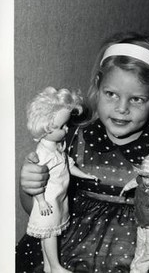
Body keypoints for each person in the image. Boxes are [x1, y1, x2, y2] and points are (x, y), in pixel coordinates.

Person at [18, 31, 149, 272]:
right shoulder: (70, 139)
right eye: (111, 94)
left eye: (137, 99)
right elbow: (38, 210)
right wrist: (30, 187)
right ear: (98, 87)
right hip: (70, 250)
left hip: (143, 256)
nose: (121, 109)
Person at [26, 87, 98, 273]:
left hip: (59, 199)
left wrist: (85, 175)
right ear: (46, 127)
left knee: (51, 234)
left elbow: (68, 166)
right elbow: (38, 180)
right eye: (62, 126)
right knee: (49, 235)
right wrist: (40, 202)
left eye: (66, 124)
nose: (67, 129)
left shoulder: (57, 147)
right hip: (48, 201)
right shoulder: (42, 154)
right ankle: (56, 266)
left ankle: (49, 267)